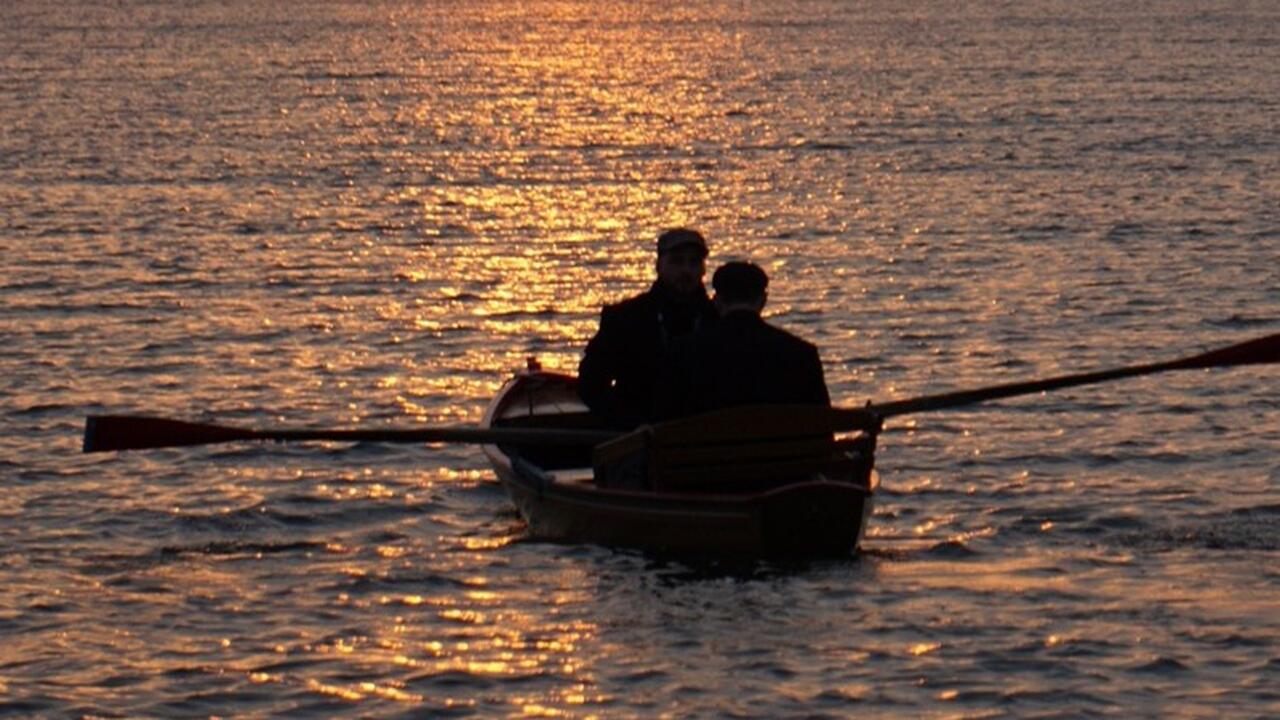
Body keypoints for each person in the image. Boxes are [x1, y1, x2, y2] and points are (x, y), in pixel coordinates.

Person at [577, 228, 718, 428]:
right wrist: (630, 424)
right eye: (677, 261)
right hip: (638, 438)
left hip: (706, 437)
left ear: (703, 269)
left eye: (694, 262)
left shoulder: (717, 318)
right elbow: (591, 384)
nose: (686, 270)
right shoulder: (625, 318)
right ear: (658, 266)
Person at [660, 261, 830, 418]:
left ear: (717, 302)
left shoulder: (683, 352)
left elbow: (665, 421)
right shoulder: (801, 353)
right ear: (762, 300)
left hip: (707, 450)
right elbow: (822, 423)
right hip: (784, 450)